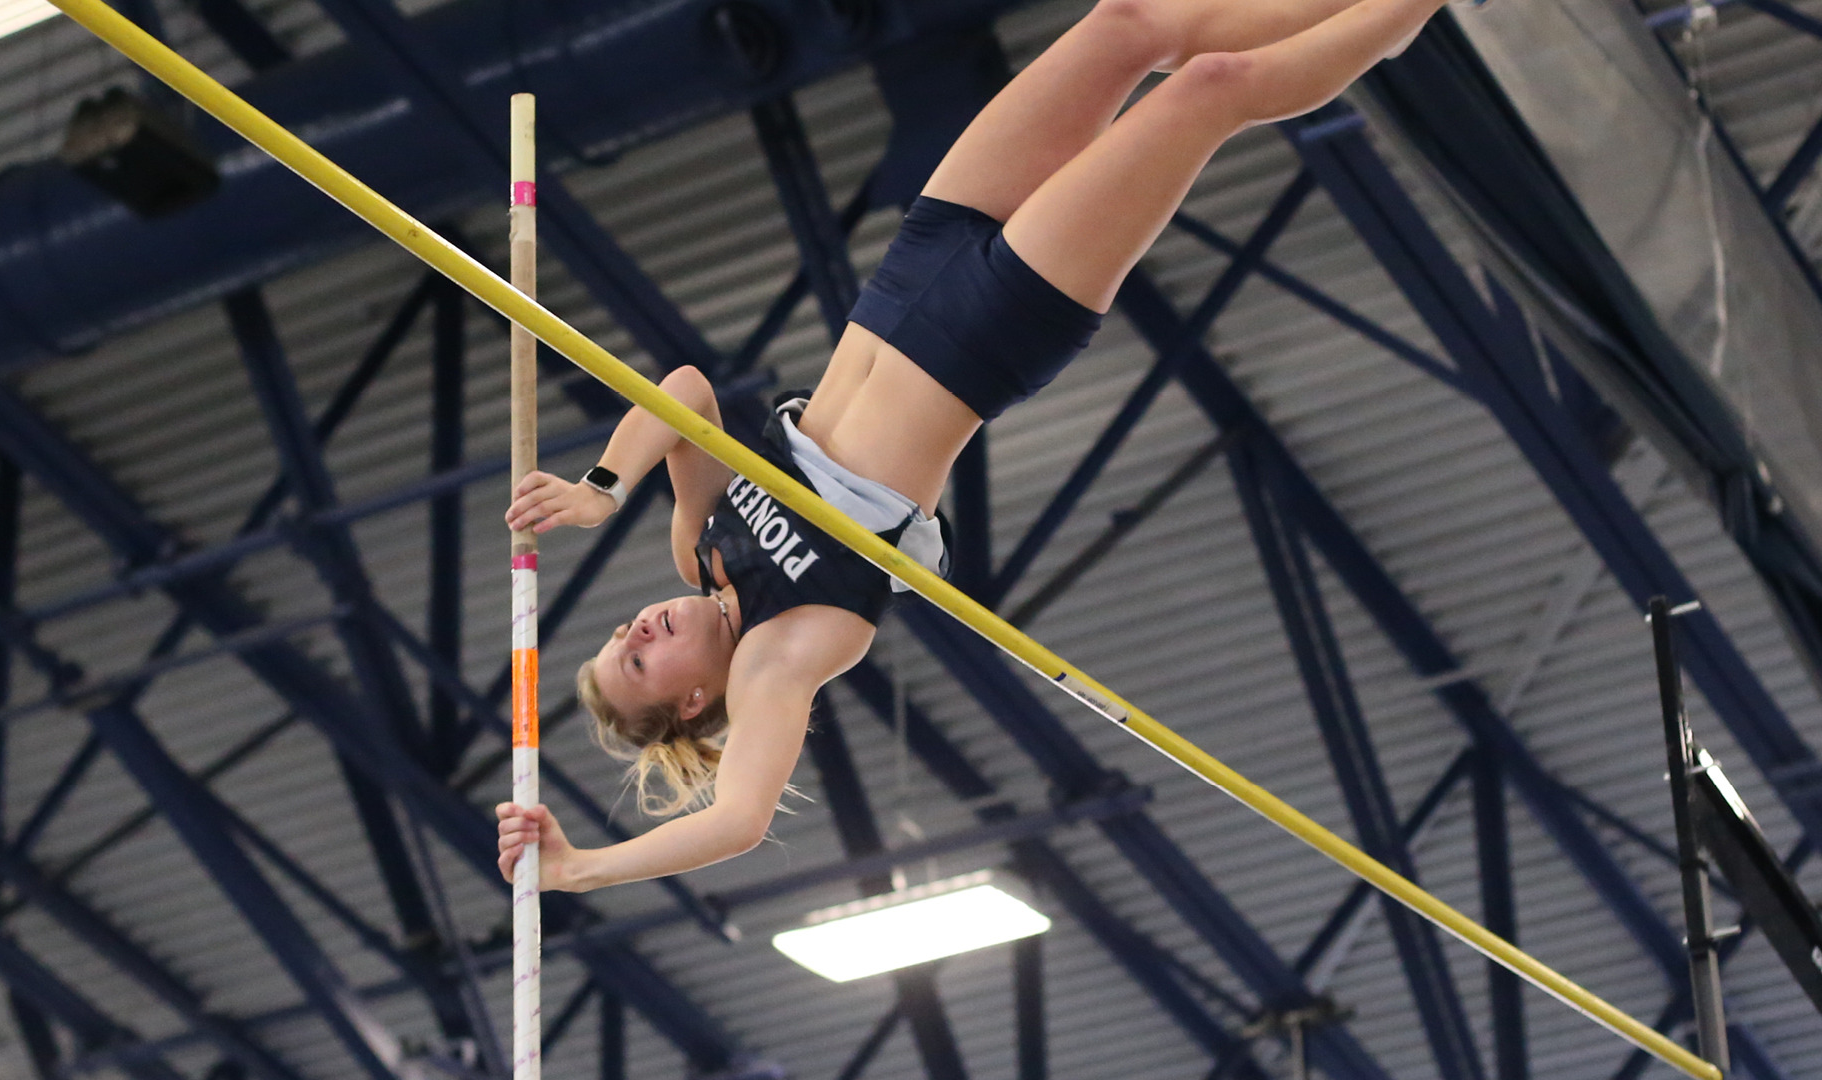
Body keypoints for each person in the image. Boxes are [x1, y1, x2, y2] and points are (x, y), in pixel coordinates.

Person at [497, 0, 1451, 892]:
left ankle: (1365, 21)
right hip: (988, 328)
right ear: (696, 702)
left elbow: (683, 393)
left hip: (916, 267)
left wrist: (601, 489)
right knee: (1212, 91)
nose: (635, 631)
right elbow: (741, 819)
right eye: (636, 664)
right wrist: (581, 868)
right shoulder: (780, 659)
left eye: (618, 635)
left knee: (1125, 24)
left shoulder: (699, 545)